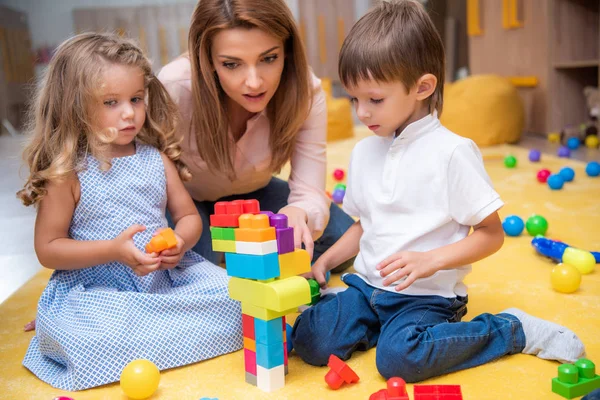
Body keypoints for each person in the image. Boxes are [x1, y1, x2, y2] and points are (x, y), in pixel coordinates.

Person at [292, 0, 586, 382]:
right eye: (354, 99)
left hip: (427, 297)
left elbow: (491, 235)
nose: (361, 113)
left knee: (400, 359)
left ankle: (510, 329)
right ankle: (367, 323)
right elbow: (365, 225)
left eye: (375, 100)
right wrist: (327, 261)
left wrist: (431, 260)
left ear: (422, 87)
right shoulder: (365, 150)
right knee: (309, 339)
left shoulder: (452, 152)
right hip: (367, 288)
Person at [17, 32, 242, 391]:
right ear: (74, 105)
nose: (129, 113)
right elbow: (48, 248)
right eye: (111, 102)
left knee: (239, 301)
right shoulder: (69, 172)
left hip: (164, 280)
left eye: (136, 99)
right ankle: (87, 332)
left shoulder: (155, 160)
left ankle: (151, 335)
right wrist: (113, 251)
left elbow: (188, 218)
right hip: (97, 290)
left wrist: (180, 244)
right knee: (91, 341)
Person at [157, 0, 354, 271]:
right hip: (187, 202)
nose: (254, 82)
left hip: (254, 194)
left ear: (286, 51)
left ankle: (235, 247)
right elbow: (143, 174)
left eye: (269, 58)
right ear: (209, 60)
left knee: (342, 243)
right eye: (232, 64)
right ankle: (229, 249)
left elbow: (309, 188)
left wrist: (299, 212)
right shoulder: (174, 87)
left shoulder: (306, 91)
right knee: (194, 272)